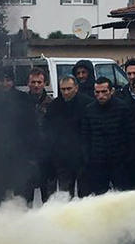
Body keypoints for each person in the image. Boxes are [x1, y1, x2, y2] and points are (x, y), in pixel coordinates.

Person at [81, 77, 134, 195]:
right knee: (100, 198)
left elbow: (130, 135)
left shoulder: (123, 108)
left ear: (112, 91)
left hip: (120, 162)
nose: (101, 95)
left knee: (122, 195)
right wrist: (88, 158)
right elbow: (85, 136)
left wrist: (128, 157)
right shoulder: (89, 110)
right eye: (97, 92)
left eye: (104, 92)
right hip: (98, 163)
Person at [45, 75, 90, 197]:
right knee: (65, 194)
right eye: (63, 89)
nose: (65, 92)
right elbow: (48, 131)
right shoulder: (54, 106)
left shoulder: (87, 104)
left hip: (83, 158)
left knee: (85, 194)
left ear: (76, 88)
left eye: (69, 88)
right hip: (63, 159)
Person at [21, 67, 54, 205]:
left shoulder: (52, 104)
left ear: (45, 83)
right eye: (33, 82)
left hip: (47, 158)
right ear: (28, 83)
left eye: (39, 82)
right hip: (26, 157)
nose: (36, 85)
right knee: (24, 199)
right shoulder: (21, 102)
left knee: (49, 200)